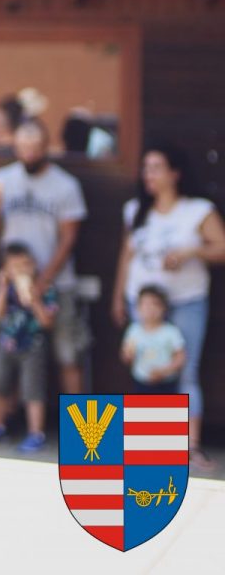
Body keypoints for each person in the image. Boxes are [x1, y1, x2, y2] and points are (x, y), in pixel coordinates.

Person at [111, 142, 224, 472]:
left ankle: (189, 447)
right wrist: (118, 296)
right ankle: (151, 445)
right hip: (143, 303)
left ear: (175, 173)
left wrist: (191, 253)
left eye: (156, 168)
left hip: (185, 301)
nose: (149, 175)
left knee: (184, 370)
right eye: (146, 168)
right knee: (145, 368)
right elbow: (126, 255)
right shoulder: (136, 210)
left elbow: (221, 247)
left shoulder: (197, 210)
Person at [0, 120, 89, 401]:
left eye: (34, 147)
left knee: (68, 354)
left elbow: (69, 238)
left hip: (57, 283)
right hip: (14, 285)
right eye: (23, 147)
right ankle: (11, 421)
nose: (28, 153)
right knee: (9, 351)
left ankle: (80, 426)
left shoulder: (65, 185)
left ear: (45, 147)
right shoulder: (2, 179)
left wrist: (43, 280)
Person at [0, 243, 57, 454]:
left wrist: (34, 299)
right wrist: (2, 288)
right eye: (16, 267)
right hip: (6, 345)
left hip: (33, 347)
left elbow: (47, 322)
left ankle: (36, 433)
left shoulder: (45, 288)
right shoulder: (7, 289)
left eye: (26, 264)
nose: (22, 270)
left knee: (32, 390)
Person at [121, 286, 186, 397]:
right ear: (137, 308)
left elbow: (181, 357)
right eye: (145, 305)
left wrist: (164, 371)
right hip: (141, 382)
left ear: (164, 308)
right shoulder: (134, 330)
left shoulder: (171, 332)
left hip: (166, 384)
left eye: (155, 304)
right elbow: (126, 355)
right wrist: (128, 355)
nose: (150, 309)